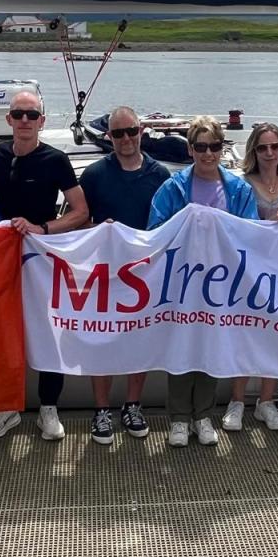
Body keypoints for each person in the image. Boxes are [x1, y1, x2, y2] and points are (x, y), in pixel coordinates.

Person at [148, 115, 259, 448]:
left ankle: (204, 415)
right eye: (200, 147)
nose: (208, 154)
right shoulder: (173, 187)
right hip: (182, 282)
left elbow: (251, 231)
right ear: (191, 148)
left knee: (210, 347)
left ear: (221, 147)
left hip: (220, 284)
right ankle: (179, 418)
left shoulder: (237, 188)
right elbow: (156, 231)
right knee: (181, 348)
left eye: (213, 146)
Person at [0, 90, 89, 441]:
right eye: (19, 114)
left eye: (32, 115)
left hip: (43, 257)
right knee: (4, 333)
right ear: (9, 120)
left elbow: (80, 211)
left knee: (49, 333)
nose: (25, 121)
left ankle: (48, 409)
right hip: (2, 257)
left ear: (42, 121)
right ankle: (7, 408)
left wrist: (42, 229)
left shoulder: (56, 160)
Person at [79, 106, 170, 445]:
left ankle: (133, 404)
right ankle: (101, 409)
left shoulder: (160, 174)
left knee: (138, 340)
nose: (126, 139)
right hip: (104, 273)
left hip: (145, 274)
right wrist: (97, 230)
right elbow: (78, 222)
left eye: (131, 131)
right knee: (102, 340)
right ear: (109, 137)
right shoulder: (93, 175)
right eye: (118, 133)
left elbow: (170, 224)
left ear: (141, 131)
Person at [222, 122, 278, 433]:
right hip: (246, 272)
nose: (269, 153)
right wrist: (265, 219)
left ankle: (267, 402)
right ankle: (237, 401)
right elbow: (231, 226)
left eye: (275, 147)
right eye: (262, 147)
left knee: (275, 336)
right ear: (253, 151)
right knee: (244, 335)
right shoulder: (239, 184)